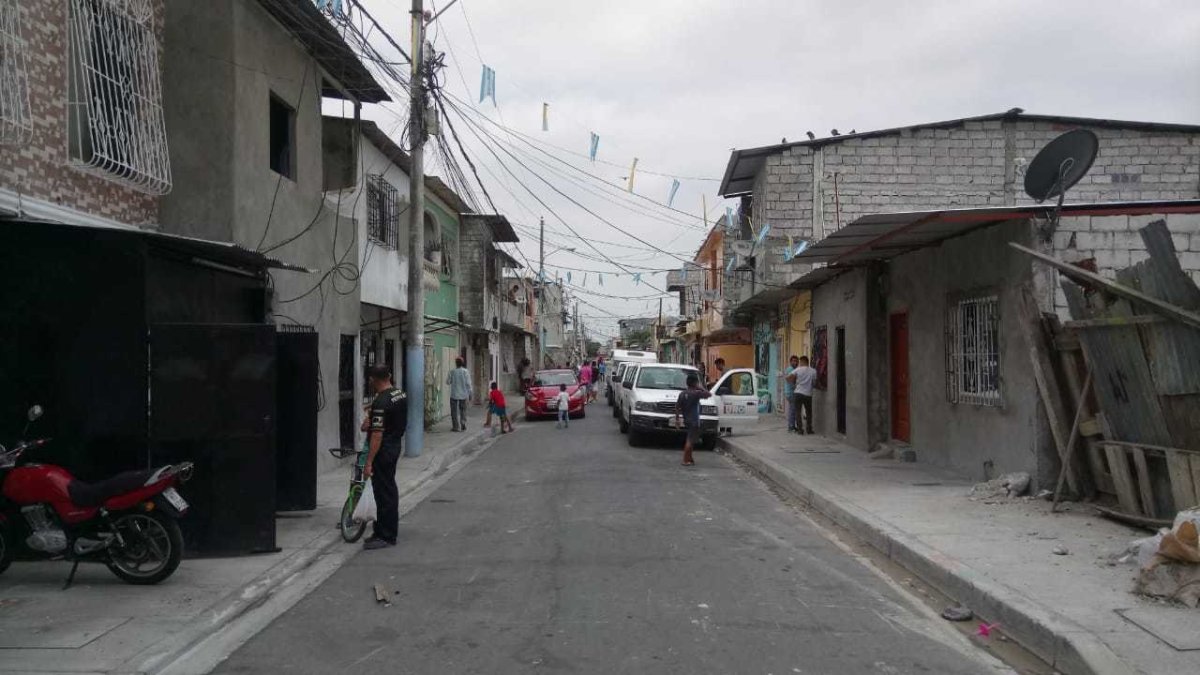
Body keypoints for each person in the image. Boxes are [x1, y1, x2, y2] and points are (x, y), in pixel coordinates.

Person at [363, 365, 406, 550]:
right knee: (388, 489)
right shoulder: (399, 394)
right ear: (389, 375)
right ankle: (381, 530)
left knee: (384, 492)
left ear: (372, 380)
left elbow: (377, 434)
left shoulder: (381, 401)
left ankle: (386, 535)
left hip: (384, 450)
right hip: (395, 445)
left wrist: (369, 461)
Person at [674, 373, 707, 467]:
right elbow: (708, 394)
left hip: (687, 419)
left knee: (692, 438)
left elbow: (677, 407)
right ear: (695, 383)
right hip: (694, 420)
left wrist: (677, 419)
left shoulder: (682, 394)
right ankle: (685, 459)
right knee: (690, 439)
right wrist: (700, 387)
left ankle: (690, 458)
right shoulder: (696, 393)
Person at [790, 356, 817, 435]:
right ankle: (809, 429)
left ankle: (800, 430)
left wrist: (794, 383)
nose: (799, 363)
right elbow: (814, 383)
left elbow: (788, 377)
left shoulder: (798, 369)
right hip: (808, 394)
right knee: (809, 412)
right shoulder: (813, 371)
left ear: (802, 361)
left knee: (798, 412)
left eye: (799, 362)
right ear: (807, 361)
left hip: (798, 393)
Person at [447, 357, 472, 432]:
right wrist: (470, 393)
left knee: (454, 411)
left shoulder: (452, 371)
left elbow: (448, 382)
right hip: (463, 395)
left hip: (454, 394)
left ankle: (455, 427)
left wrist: (453, 380)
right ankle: (463, 423)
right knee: (463, 410)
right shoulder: (465, 371)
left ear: (456, 363)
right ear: (462, 363)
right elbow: (468, 384)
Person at [782, 355, 800, 432]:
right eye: (793, 361)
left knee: (793, 409)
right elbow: (791, 381)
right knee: (793, 410)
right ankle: (791, 426)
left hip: (790, 392)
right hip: (791, 392)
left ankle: (792, 426)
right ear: (790, 362)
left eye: (796, 361)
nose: (795, 362)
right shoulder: (791, 370)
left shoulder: (793, 369)